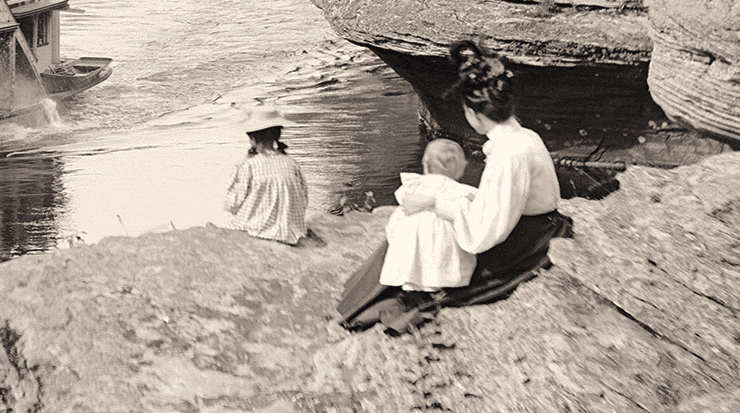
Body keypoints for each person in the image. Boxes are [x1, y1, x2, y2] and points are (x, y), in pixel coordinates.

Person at [338, 39, 570, 334]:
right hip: (537, 227)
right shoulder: (524, 136)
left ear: (473, 114)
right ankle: (375, 292)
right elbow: (497, 208)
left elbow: (484, 234)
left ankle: (366, 300)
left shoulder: (508, 154)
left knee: (425, 242)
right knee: (426, 233)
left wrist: (436, 205)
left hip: (528, 242)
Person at [379, 139, 480, 294]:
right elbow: (471, 210)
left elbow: (403, 200)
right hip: (439, 243)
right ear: (455, 166)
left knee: (408, 228)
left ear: (425, 164)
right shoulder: (459, 190)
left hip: (410, 241)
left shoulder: (415, 184)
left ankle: (410, 281)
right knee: (443, 241)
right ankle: (439, 284)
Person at [222, 103, 313, 246]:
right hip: (293, 230)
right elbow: (304, 201)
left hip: (258, 229)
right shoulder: (292, 163)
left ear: (252, 137)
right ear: (277, 135)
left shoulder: (249, 165)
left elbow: (231, 205)